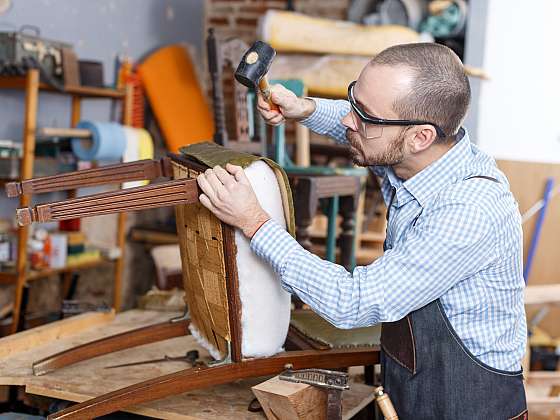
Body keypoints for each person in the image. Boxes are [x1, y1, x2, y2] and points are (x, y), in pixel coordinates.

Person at [196, 43, 527, 419]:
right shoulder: (423, 154)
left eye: (363, 115)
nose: (349, 120)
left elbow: (351, 302)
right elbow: (368, 123)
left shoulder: (468, 210)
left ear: (420, 136)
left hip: (467, 404)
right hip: (415, 382)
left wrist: (255, 223)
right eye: (353, 99)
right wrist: (305, 108)